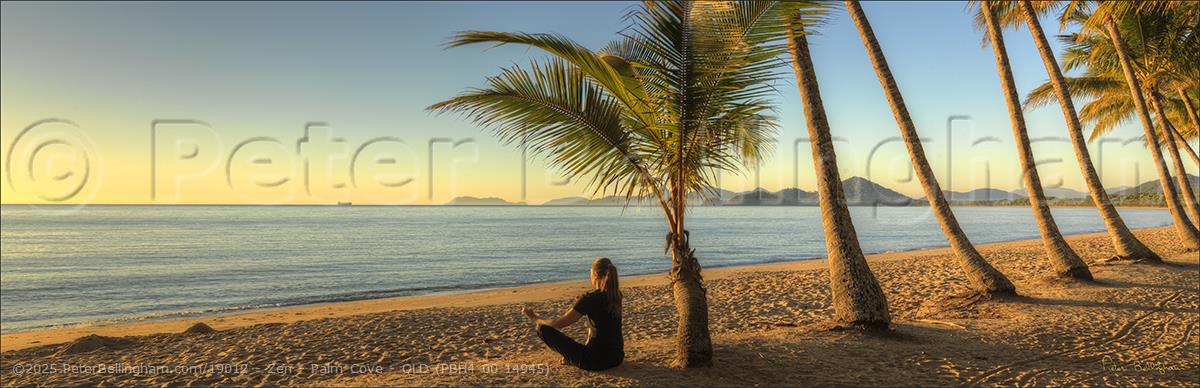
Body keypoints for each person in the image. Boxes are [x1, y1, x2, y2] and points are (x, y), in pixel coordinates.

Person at [521, 257, 624, 371]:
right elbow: (601, 318)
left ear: (595, 274)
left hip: (595, 361)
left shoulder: (590, 299)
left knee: (542, 329)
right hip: (616, 358)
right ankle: (573, 357)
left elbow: (560, 323)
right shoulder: (616, 295)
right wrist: (583, 304)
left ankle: (571, 358)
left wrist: (536, 318)